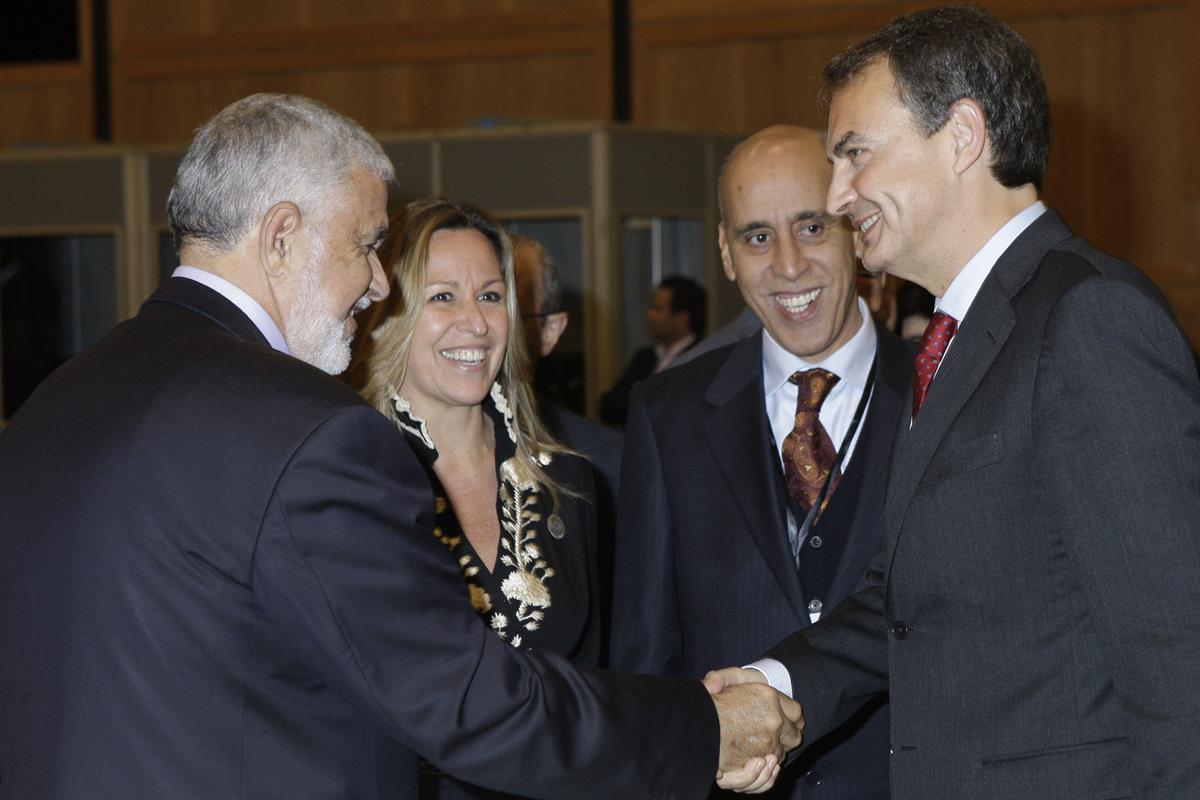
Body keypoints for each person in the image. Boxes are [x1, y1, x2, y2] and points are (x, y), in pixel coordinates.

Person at [0, 92, 802, 800]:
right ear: (281, 235)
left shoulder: (59, 401)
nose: (380, 285)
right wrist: (703, 728)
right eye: (365, 244)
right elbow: (464, 703)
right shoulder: (310, 431)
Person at [706, 7, 1200, 799]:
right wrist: (768, 681)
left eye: (855, 155)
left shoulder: (1089, 319)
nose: (838, 195)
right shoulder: (956, 339)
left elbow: (1179, 660)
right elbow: (905, 604)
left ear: (963, 135)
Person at [610, 125, 910, 800]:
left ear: (854, 228)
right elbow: (647, 670)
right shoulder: (666, 416)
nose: (788, 264)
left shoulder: (942, 395)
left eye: (810, 226)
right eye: (755, 237)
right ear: (725, 251)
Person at [360, 199, 604, 799]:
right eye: (442, 296)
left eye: (491, 296)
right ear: (390, 313)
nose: (474, 322)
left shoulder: (566, 482)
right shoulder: (350, 480)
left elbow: (595, 688)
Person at [599, 274, 706, 424]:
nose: (649, 315)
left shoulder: (702, 357)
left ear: (682, 318)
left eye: (658, 309)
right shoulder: (645, 356)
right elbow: (610, 407)